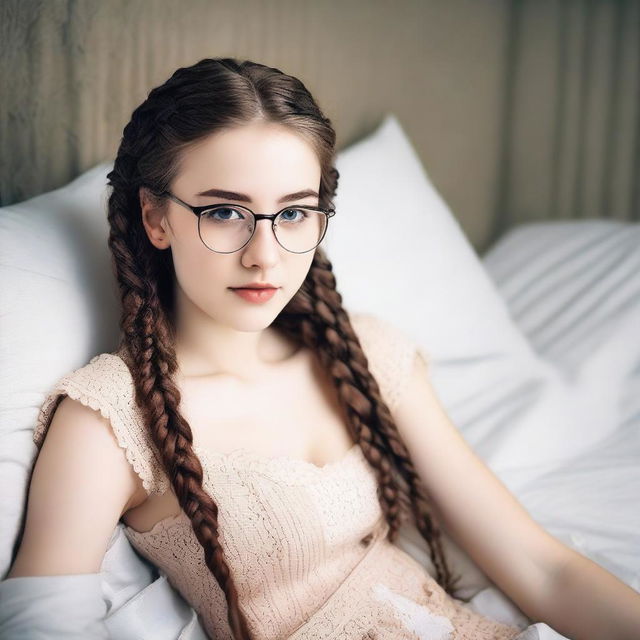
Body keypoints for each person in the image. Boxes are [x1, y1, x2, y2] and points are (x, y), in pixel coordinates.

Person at [2, 57, 640, 640]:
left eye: (294, 213)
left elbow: (541, 567)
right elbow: (42, 621)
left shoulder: (362, 354)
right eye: (225, 212)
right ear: (156, 217)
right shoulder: (111, 416)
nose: (265, 255)